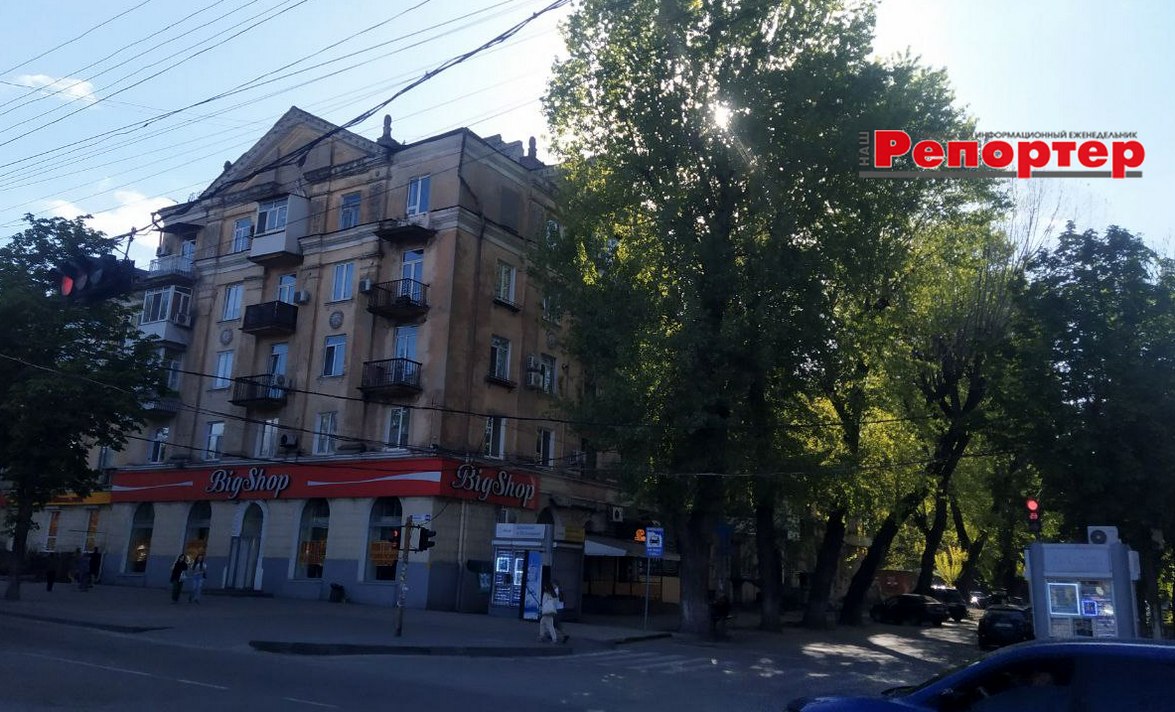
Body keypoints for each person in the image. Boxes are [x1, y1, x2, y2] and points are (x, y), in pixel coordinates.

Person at [552, 579, 570, 643]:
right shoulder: (560, 590)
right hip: (560, 609)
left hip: (557, 610)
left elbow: (553, 601)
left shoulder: (555, 591)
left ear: (555, 584)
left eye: (553, 584)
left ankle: (564, 635)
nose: (552, 586)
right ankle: (553, 635)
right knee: (555, 623)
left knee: (555, 623)